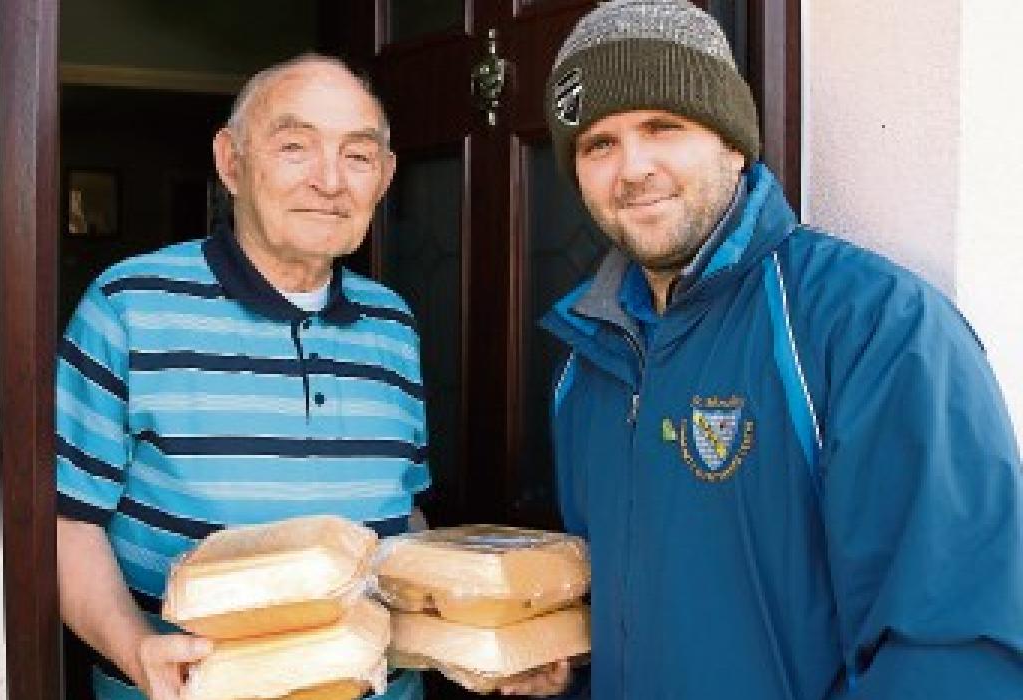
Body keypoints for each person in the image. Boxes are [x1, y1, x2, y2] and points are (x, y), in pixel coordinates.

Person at [517, 1, 1023, 697]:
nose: (632, 168)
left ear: (733, 141)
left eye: (662, 126)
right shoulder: (586, 359)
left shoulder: (876, 328)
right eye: (598, 143)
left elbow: (955, 651)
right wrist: (572, 668)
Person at [55, 54, 429, 700]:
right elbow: (67, 521)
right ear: (231, 163)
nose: (330, 181)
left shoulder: (392, 326)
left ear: (386, 177)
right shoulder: (128, 306)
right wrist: (134, 647)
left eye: (359, 156)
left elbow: (405, 512)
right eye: (295, 147)